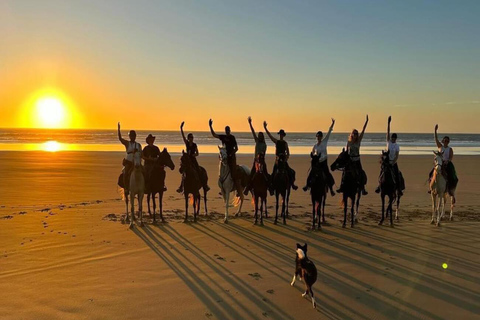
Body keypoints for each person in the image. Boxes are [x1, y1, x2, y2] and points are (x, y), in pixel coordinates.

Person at [303, 118, 336, 196]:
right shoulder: (315, 146)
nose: (318, 137)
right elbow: (312, 153)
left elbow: (329, 132)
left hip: (324, 162)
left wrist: (332, 124)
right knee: (310, 173)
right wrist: (313, 157)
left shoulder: (324, 142)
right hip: (317, 163)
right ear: (316, 137)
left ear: (321, 137)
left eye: (320, 136)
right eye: (317, 136)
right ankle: (307, 185)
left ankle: (331, 189)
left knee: (327, 174)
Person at [337, 115, 369, 195]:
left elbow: (363, 131)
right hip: (350, 160)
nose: (355, 135)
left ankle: (363, 188)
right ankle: (341, 187)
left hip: (357, 159)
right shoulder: (349, 142)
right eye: (354, 134)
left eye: (356, 134)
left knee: (361, 172)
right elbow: (347, 151)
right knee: (344, 172)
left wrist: (366, 121)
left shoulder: (358, 141)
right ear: (352, 135)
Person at [209, 119, 242, 195]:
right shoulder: (223, 137)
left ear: (230, 130)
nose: (227, 131)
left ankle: (237, 189)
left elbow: (236, 148)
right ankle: (222, 188)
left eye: (228, 130)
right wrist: (210, 126)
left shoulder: (232, 138)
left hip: (231, 158)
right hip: (224, 157)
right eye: (226, 130)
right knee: (221, 172)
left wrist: (231, 154)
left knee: (233, 173)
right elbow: (214, 135)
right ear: (225, 131)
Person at [263, 121, 298, 192]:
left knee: (291, 172)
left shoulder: (285, 143)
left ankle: (292, 184)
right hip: (277, 160)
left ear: (283, 135)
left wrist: (286, 158)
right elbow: (270, 136)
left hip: (283, 160)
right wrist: (265, 128)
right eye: (280, 134)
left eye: (282, 134)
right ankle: (272, 186)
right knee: (273, 173)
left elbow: (288, 153)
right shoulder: (277, 142)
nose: (281, 135)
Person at [177, 122, 210, 193]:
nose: (191, 139)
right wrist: (181, 128)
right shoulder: (187, 143)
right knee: (184, 172)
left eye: (192, 137)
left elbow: (197, 153)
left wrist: (193, 155)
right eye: (190, 137)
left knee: (198, 170)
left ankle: (205, 185)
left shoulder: (194, 145)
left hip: (193, 159)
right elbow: (183, 136)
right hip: (187, 160)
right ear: (188, 138)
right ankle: (181, 187)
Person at [375, 116, 404, 196]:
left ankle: (399, 189)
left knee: (397, 174)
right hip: (386, 162)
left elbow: (396, 156)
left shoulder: (397, 146)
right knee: (381, 173)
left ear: (396, 139)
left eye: (394, 138)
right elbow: (387, 132)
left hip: (393, 163)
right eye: (392, 138)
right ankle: (379, 186)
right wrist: (388, 123)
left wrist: (393, 162)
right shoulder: (388, 142)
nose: (393, 139)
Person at [428, 124, 458, 200]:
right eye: (445, 140)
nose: (446, 142)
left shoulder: (450, 149)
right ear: (443, 141)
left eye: (447, 141)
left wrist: (447, 161)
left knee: (452, 176)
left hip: (447, 164)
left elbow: (451, 157)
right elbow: (435, 139)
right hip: (440, 163)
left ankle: (450, 190)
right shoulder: (440, 146)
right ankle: (431, 188)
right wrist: (435, 130)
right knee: (431, 174)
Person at [244, 116, 268, 195]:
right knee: (251, 174)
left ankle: (270, 187)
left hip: (262, 161)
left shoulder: (264, 144)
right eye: (259, 136)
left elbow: (263, 153)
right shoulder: (257, 141)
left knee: (266, 174)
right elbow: (253, 132)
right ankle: (247, 188)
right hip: (256, 161)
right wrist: (250, 124)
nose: (260, 137)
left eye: (261, 136)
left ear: (263, 137)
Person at [118, 122, 143, 189]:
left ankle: (144, 187)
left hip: (136, 161)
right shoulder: (127, 143)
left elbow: (141, 153)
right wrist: (118, 130)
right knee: (126, 173)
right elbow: (120, 139)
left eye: (134, 136)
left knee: (144, 172)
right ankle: (126, 187)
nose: (132, 137)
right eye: (131, 136)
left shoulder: (138, 145)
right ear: (129, 136)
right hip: (129, 161)